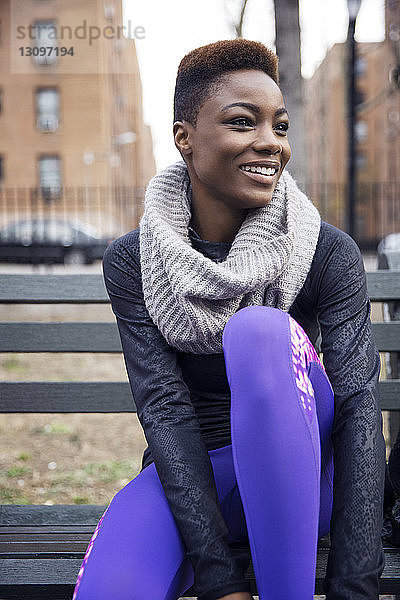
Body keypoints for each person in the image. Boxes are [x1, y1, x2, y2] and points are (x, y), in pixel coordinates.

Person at [72, 39, 386, 600]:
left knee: (257, 331)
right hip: (197, 480)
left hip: (306, 476)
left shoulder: (323, 251)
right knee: (113, 587)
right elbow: (164, 409)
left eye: (280, 126)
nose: (270, 143)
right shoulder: (133, 260)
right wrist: (219, 581)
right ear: (184, 138)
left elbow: (359, 409)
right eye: (244, 122)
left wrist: (354, 586)